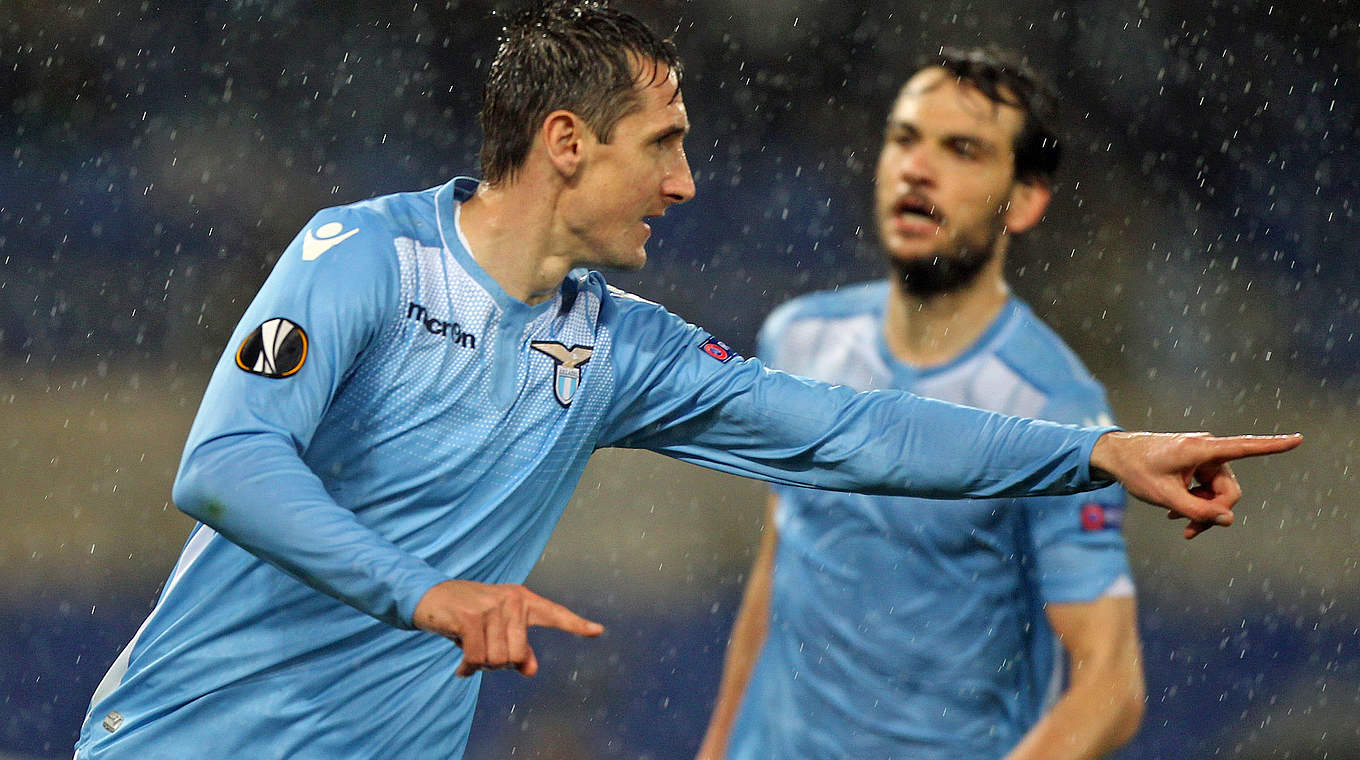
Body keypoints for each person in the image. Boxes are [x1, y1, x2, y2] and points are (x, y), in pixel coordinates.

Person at [74, 3, 1299, 759]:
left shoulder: (622, 347)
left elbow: (849, 432)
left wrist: (1094, 452)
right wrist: (427, 593)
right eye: (663, 144)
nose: (688, 182)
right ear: (566, 142)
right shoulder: (360, 256)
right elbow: (224, 463)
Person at [698, 49, 1158, 760]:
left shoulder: (1055, 411)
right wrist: (720, 744)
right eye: (904, 137)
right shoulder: (799, 339)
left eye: (962, 150)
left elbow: (1112, 682)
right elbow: (783, 559)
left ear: (1026, 199)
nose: (917, 167)